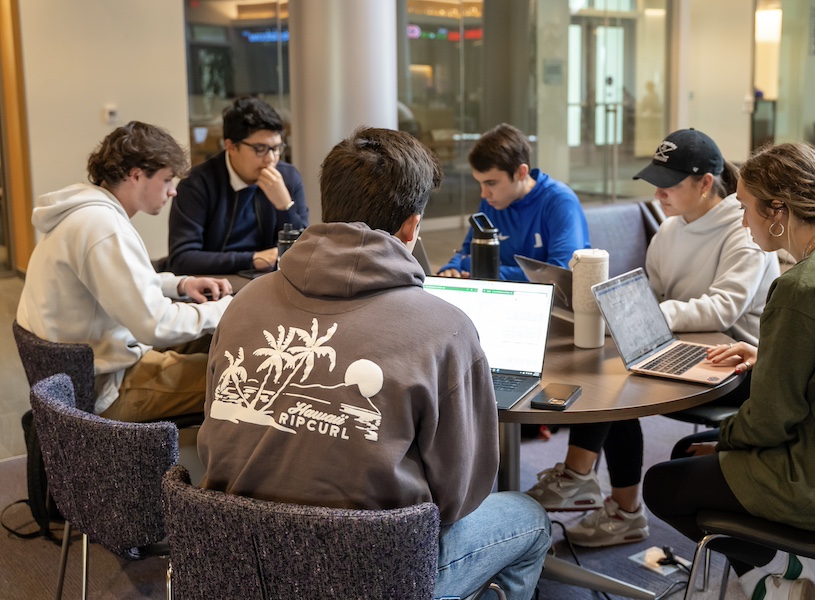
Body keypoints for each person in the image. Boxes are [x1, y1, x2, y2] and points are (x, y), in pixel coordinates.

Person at [197, 127, 551, 600]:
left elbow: (213, 441)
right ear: (411, 228)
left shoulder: (243, 303)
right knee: (529, 517)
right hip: (375, 577)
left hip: (241, 565)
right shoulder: (444, 330)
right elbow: (459, 499)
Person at [642, 142, 815, 599]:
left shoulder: (801, 285)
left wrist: (722, 443)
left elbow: (771, 421)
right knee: (693, 453)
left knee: (661, 483)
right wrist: (767, 357)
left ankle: (779, 569)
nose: (741, 220)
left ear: (778, 210)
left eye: (745, 208)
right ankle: (779, 569)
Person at [525, 129, 779, 548]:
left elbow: (722, 308)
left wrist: (645, 317)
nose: (658, 193)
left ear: (704, 183)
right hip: (682, 350)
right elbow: (653, 296)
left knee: (618, 382)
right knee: (609, 367)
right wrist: (622, 315)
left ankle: (590, 484)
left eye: (669, 184)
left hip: (739, 366)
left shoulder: (743, 229)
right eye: (655, 182)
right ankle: (599, 491)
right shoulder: (670, 229)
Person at [16, 121, 233, 422]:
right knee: (237, 376)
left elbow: (117, 284)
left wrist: (181, 285)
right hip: (108, 388)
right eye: (168, 180)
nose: (173, 192)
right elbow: (155, 325)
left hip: (91, 366)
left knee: (208, 340)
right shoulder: (104, 228)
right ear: (136, 175)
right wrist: (227, 308)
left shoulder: (84, 212)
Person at [167, 96, 309, 275]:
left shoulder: (288, 177)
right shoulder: (197, 183)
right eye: (260, 148)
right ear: (231, 146)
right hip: (215, 283)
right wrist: (254, 259)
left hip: (268, 283)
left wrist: (285, 207)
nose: (271, 159)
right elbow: (182, 259)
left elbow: (304, 253)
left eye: (277, 148)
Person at [437, 123, 589, 281]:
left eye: (491, 183)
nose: (484, 194)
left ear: (520, 173)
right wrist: (453, 267)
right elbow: (468, 251)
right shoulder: (493, 201)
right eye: (480, 183)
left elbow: (559, 274)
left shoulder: (560, 201)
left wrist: (486, 272)